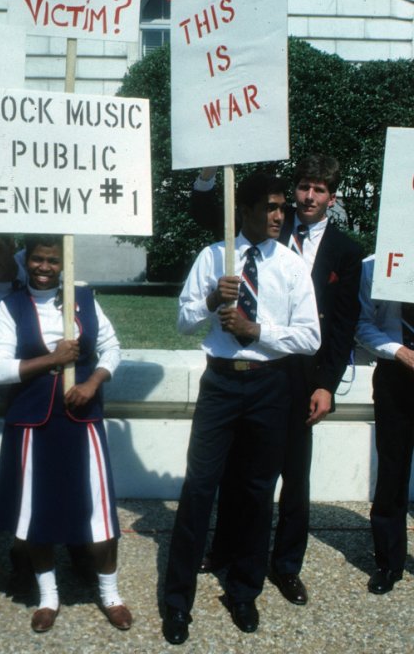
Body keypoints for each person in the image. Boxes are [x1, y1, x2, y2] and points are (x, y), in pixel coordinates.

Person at [191, 155, 362, 605]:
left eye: (319, 190)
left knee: (294, 475)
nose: (307, 197)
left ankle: (286, 565)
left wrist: (326, 383)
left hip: (304, 375)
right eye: (304, 187)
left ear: (332, 198)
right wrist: (209, 172)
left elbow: (341, 327)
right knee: (241, 469)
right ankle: (227, 549)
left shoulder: (345, 252)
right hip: (259, 371)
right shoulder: (271, 229)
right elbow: (210, 214)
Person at [162, 172, 320, 645]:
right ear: (245, 209)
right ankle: (176, 601)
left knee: (256, 492)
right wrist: (213, 298)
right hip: (221, 385)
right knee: (198, 488)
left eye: (281, 209)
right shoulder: (214, 258)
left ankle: (244, 591)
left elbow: (310, 336)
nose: (278, 216)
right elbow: (183, 322)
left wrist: (258, 332)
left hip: (269, 385)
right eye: (270, 207)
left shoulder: (291, 267)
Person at [0, 235, 131, 634]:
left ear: (63, 263)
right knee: (38, 510)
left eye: (52, 260)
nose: (44, 267)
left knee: (98, 509)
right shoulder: (11, 305)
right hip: (34, 421)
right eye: (37, 259)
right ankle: (48, 596)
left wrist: (93, 382)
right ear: (26, 261)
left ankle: (110, 594)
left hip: (82, 417)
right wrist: (53, 359)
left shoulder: (83, 299)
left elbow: (111, 348)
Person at [355, 256, 414, 594]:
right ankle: (388, 562)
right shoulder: (374, 266)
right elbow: (362, 323)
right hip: (395, 372)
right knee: (392, 470)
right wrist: (399, 352)